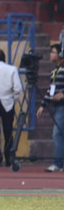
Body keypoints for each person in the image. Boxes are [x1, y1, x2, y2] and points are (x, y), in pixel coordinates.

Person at [41, 43, 64, 172]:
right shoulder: (54, 72)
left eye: (53, 52)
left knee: (57, 134)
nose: (50, 54)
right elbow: (50, 91)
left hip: (62, 106)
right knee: (60, 134)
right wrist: (43, 105)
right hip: (56, 107)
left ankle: (57, 163)